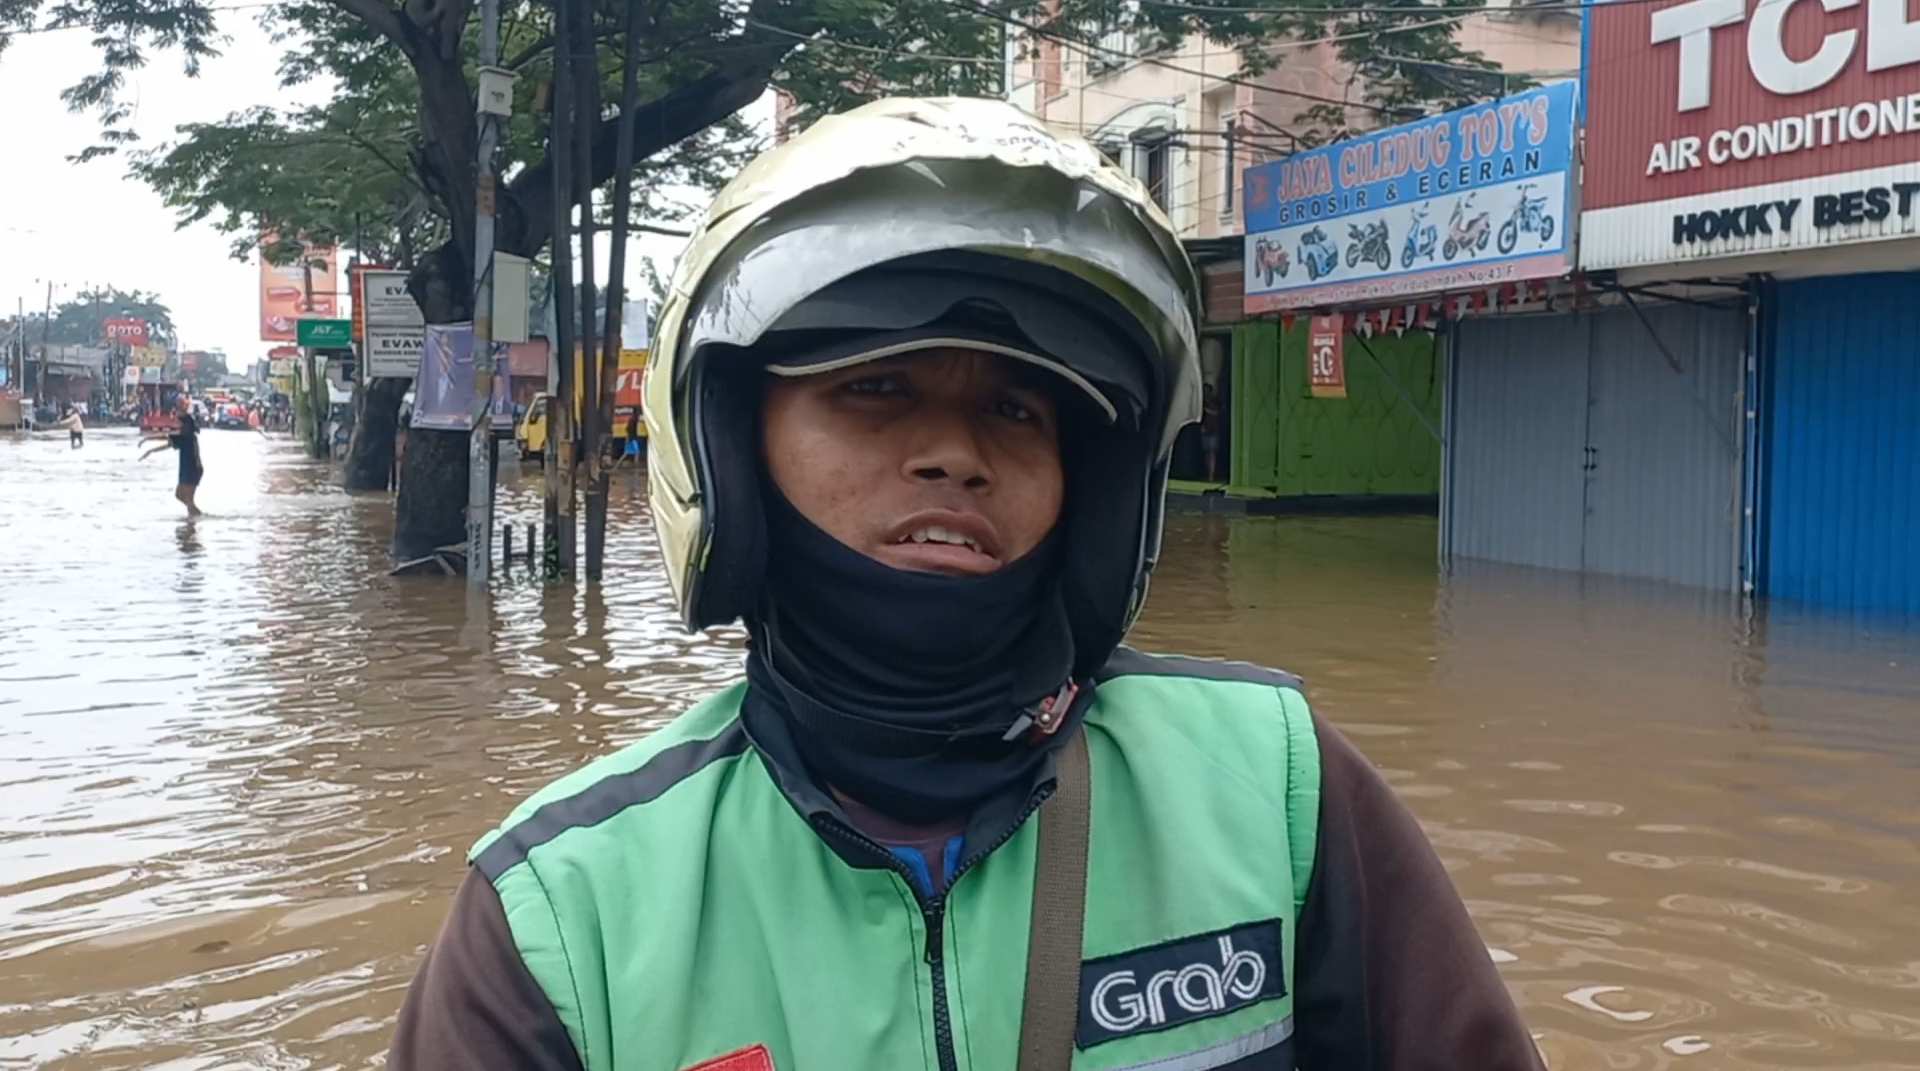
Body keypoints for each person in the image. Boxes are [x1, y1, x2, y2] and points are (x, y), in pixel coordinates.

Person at [390, 98, 1543, 1071]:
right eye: (876, 387)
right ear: (734, 450)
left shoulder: (1278, 789)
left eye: (1015, 409)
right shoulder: (564, 911)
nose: (956, 454)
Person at [139, 410, 204, 516]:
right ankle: (194, 518)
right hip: (188, 468)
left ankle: (194, 520)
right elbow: (168, 442)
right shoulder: (187, 436)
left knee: (188, 499)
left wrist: (147, 441)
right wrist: (149, 446)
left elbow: (166, 438)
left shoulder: (186, 437)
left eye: (178, 422)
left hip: (191, 469)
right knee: (179, 495)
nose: (176, 424)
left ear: (183, 424)